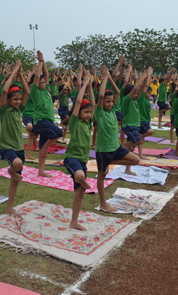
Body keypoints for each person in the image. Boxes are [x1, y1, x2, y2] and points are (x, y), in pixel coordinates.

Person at [95, 66, 140, 212]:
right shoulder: (100, 112)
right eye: (107, 102)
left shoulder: (113, 109)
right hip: (103, 150)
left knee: (135, 160)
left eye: (110, 102)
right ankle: (103, 203)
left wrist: (109, 77)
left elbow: (117, 92)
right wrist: (104, 79)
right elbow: (101, 96)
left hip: (115, 148)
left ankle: (110, 161)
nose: (109, 104)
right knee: (102, 176)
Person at [63, 73, 94, 231]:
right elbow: (78, 103)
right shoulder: (75, 122)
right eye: (85, 112)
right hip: (71, 158)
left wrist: (90, 86)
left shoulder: (88, 124)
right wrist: (84, 85)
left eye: (90, 112)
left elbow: (93, 105)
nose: (89, 114)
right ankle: (82, 181)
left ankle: (74, 221)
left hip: (82, 161)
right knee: (80, 176)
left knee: (79, 193)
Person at [0, 60, 30, 216]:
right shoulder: (4, 110)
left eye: (19, 99)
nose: (18, 102)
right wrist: (14, 71)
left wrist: (21, 75)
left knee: (16, 180)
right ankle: (10, 170)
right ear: (9, 101)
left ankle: (9, 207)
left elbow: (27, 93)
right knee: (16, 165)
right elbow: (4, 92)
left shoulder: (19, 110)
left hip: (19, 147)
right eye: (15, 99)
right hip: (7, 147)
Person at [31, 50, 63, 177]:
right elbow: (38, 76)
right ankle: (44, 148)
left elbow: (44, 74)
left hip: (47, 122)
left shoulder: (45, 91)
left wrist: (43, 60)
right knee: (59, 133)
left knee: (44, 146)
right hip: (40, 122)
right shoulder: (35, 91)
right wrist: (40, 63)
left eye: (45, 82)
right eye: (42, 82)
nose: (44, 83)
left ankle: (41, 171)